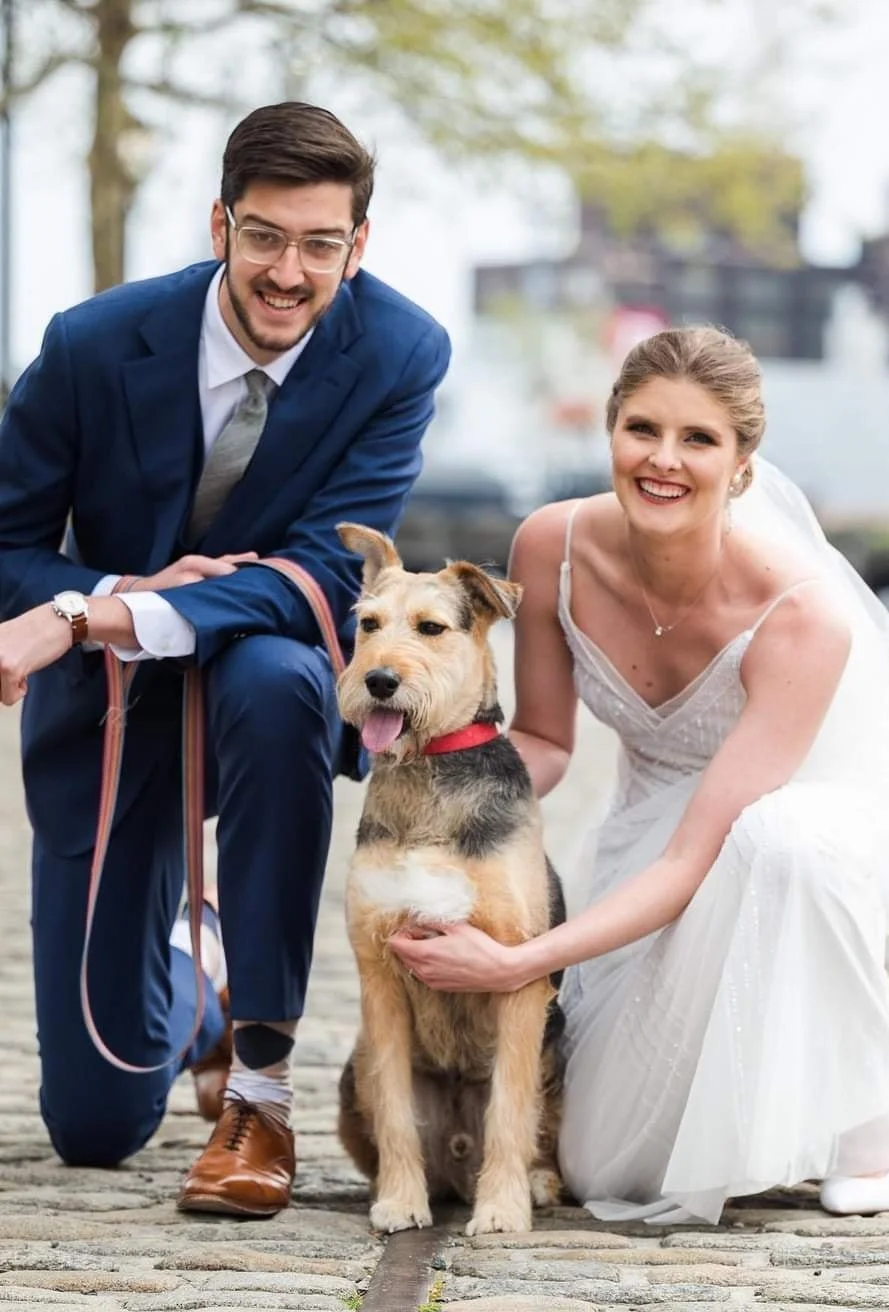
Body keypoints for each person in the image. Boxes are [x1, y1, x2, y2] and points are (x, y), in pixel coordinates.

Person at [0, 101, 450, 1217]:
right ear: (219, 225)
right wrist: (103, 596)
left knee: (280, 671)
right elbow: (6, 540)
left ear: (358, 245)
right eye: (263, 236)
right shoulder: (91, 343)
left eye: (319, 243)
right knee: (96, 1128)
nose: (287, 272)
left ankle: (258, 1091)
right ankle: (198, 989)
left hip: (268, 690)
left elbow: (323, 572)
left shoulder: (400, 351)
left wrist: (89, 619)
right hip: (107, 717)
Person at [391, 325, 889, 1225]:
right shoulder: (553, 545)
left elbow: (699, 852)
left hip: (808, 833)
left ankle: (863, 1108)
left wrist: (519, 962)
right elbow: (542, 739)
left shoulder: (801, 617)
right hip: (644, 831)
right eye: (642, 429)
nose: (663, 461)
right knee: (598, 1162)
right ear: (610, 430)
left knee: (777, 841)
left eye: (698, 439)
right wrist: (433, 806)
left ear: (741, 463)